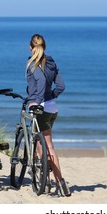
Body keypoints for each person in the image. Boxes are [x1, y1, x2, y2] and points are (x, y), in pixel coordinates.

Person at [26, 33, 71, 197]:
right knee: (43, 144)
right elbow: (61, 86)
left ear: (31, 47)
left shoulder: (33, 63)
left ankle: (59, 182)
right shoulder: (51, 62)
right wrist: (52, 95)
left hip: (41, 108)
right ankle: (47, 180)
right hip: (52, 108)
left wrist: (37, 100)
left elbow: (41, 81)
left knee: (47, 146)